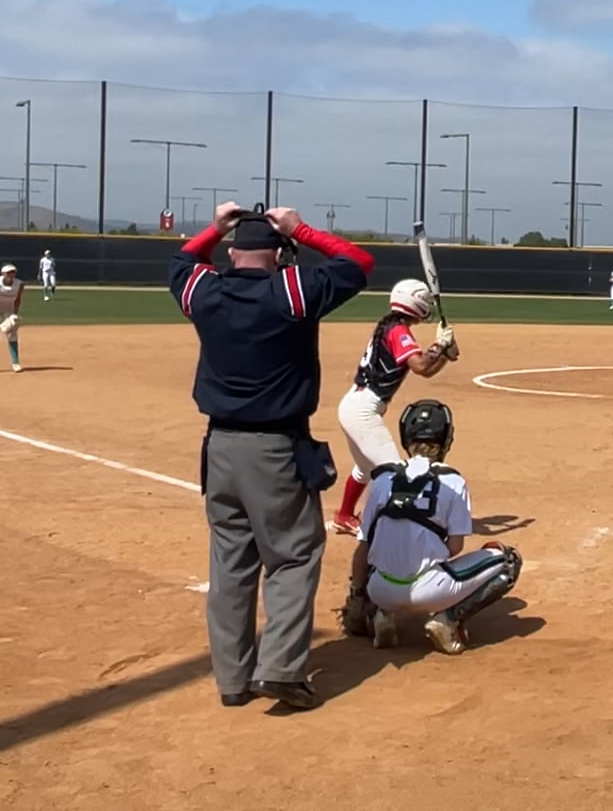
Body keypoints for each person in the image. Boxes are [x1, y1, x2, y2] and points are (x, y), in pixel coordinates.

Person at [171, 202, 374, 711]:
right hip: (276, 448)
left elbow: (181, 262)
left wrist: (215, 228)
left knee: (230, 564)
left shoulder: (206, 290)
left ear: (232, 253)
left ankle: (233, 680)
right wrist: (299, 228)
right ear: (281, 253)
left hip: (220, 448)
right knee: (293, 555)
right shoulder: (292, 291)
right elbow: (358, 263)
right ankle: (281, 670)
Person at [339, 399, 522, 655]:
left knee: (376, 548)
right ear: (446, 439)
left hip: (380, 590)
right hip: (431, 590)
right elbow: (455, 547)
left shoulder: (382, 479)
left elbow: (362, 549)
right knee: (509, 561)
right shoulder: (453, 481)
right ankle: (448, 619)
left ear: (405, 438)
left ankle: (381, 615)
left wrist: (357, 595)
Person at [329, 280, 458, 537]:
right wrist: (439, 345)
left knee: (365, 469)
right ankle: (392, 528)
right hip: (362, 410)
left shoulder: (391, 326)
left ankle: (344, 517)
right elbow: (421, 366)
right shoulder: (398, 332)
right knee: (397, 473)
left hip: (355, 405)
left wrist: (445, 353)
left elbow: (427, 370)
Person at [0, 264, 25, 373]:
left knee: (12, 334)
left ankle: (15, 363)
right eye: (8, 273)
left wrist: (15, 313)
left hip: (8, 310)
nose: (11, 275)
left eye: (13, 272)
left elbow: (18, 299)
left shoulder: (19, 284)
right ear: (3, 274)